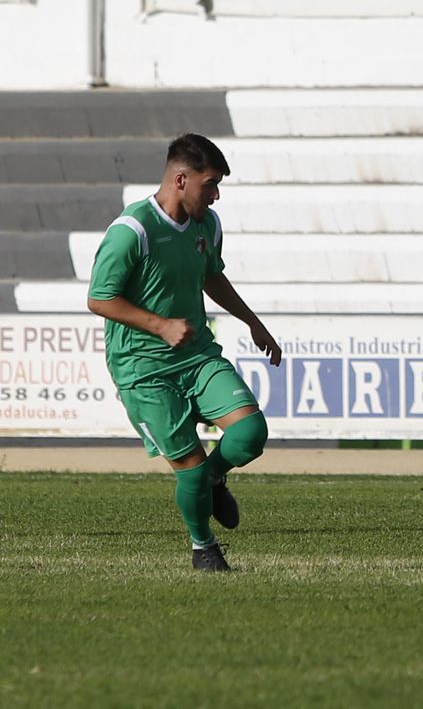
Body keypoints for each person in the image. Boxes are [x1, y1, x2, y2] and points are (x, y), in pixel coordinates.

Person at [87, 133, 282, 572]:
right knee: (188, 470)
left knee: (250, 434)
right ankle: (203, 547)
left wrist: (252, 320)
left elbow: (211, 275)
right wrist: (160, 325)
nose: (215, 196)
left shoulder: (207, 225)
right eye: (210, 185)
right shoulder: (132, 230)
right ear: (180, 179)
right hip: (143, 369)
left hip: (196, 357)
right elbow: (100, 299)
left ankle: (215, 480)